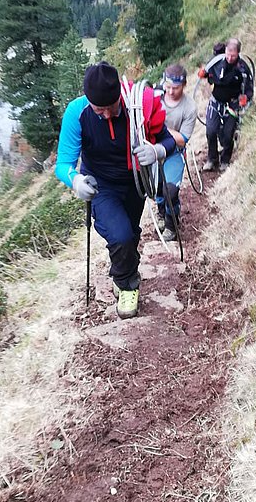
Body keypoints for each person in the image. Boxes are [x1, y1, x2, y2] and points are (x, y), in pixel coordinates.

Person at [55, 61, 176, 319]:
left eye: (111, 108)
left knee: (130, 235)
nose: (107, 115)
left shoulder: (137, 105)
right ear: (89, 103)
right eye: (100, 111)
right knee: (120, 236)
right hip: (101, 185)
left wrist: (156, 151)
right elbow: (63, 164)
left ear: (118, 98)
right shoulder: (77, 113)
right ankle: (127, 284)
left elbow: (169, 140)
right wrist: (75, 180)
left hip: (135, 182)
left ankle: (124, 269)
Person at [198, 37, 254, 171]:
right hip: (215, 102)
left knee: (228, 134)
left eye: (233, 56)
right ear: (225, 51)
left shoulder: (243, 69)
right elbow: (207, 72)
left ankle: (225, 161)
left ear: (238, 54)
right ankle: (212, 159)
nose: (229, 58)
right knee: (211, 131)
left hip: (232, 106)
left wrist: (245, 98)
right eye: (228, 54)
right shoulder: (216, 62)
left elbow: (249, 89)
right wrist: (203, 74)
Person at [157, 62, 198, 242]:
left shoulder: (189, 107)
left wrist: (161, 129)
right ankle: (160, 212)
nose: (171, 92)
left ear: (184, 85)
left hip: (174, 153)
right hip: (153, 152)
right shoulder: (156, 97)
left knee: (170, 191)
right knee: (156, 189)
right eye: (168, 87)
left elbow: (183, 138)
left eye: (176, 88)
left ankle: (171, 225)